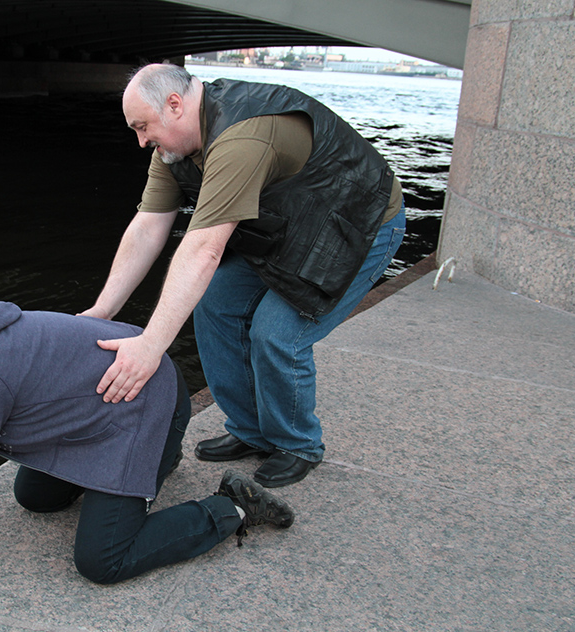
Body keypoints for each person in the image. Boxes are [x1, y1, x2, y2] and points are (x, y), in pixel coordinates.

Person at [80, 63, 406, 488]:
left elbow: (204, 249)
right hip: (287, 227)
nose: (141, 141)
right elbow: (147, 227)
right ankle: (251, 431)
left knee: (276, 333)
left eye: (143, 127)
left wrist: (150, 347)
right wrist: (102, 311)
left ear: (175, 105)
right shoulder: (173, 151)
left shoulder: (241, 137)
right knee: (214, 304)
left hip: (357, 226)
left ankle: (296, 443)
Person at [0, 281, 294, 584]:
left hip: (146, 405)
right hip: (106, 410)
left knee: (103, 561)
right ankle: (162, 459)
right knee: (36, 497)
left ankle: (231, 506)